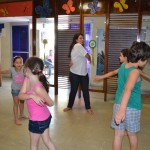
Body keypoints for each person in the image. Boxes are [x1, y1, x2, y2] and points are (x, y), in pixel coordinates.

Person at [111, 41, 150, 150]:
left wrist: (121, 109)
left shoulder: (124, 65)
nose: (146, 62)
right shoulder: (135, 72)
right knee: (132, 135)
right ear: (140, 60)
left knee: (118, 135)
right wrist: (123, 111)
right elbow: (128, 89)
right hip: (131, 107)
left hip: (119, 104)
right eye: (146, 59)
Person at [18, 57, 56, 150]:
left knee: (34, 145)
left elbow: (51, 103)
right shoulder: (27, 80)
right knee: (47, 140)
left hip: (38, 121)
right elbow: (20, 96)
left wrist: (42, 99)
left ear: (28, 69)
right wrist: (32, 96)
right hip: (44, 118)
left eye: (25, 65)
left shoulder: (38, 88)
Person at [63, 33, 93, 114]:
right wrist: (90, 58)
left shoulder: (76, 47)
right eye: (80, 38)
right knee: (75, 90)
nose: (82, 39)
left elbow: (75, 58)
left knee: (83, 91)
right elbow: (87, 56)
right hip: (75, 73)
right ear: (76, 40)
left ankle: (86, 107)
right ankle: (71, 106)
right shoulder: (78, 46)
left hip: (83, 73)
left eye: (83, 38)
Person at [0, 56, 27, 125]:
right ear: (14, 63)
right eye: (17, 62)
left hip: (22, 90)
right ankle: (16, 119)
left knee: (22, 103)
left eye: (20, 62)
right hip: (15, 89)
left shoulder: (24, 69)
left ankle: (21, 114)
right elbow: (5, 71)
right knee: (16, 104)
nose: (19, 64)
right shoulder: (12, 69)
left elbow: (29, 73)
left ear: (22, 63)